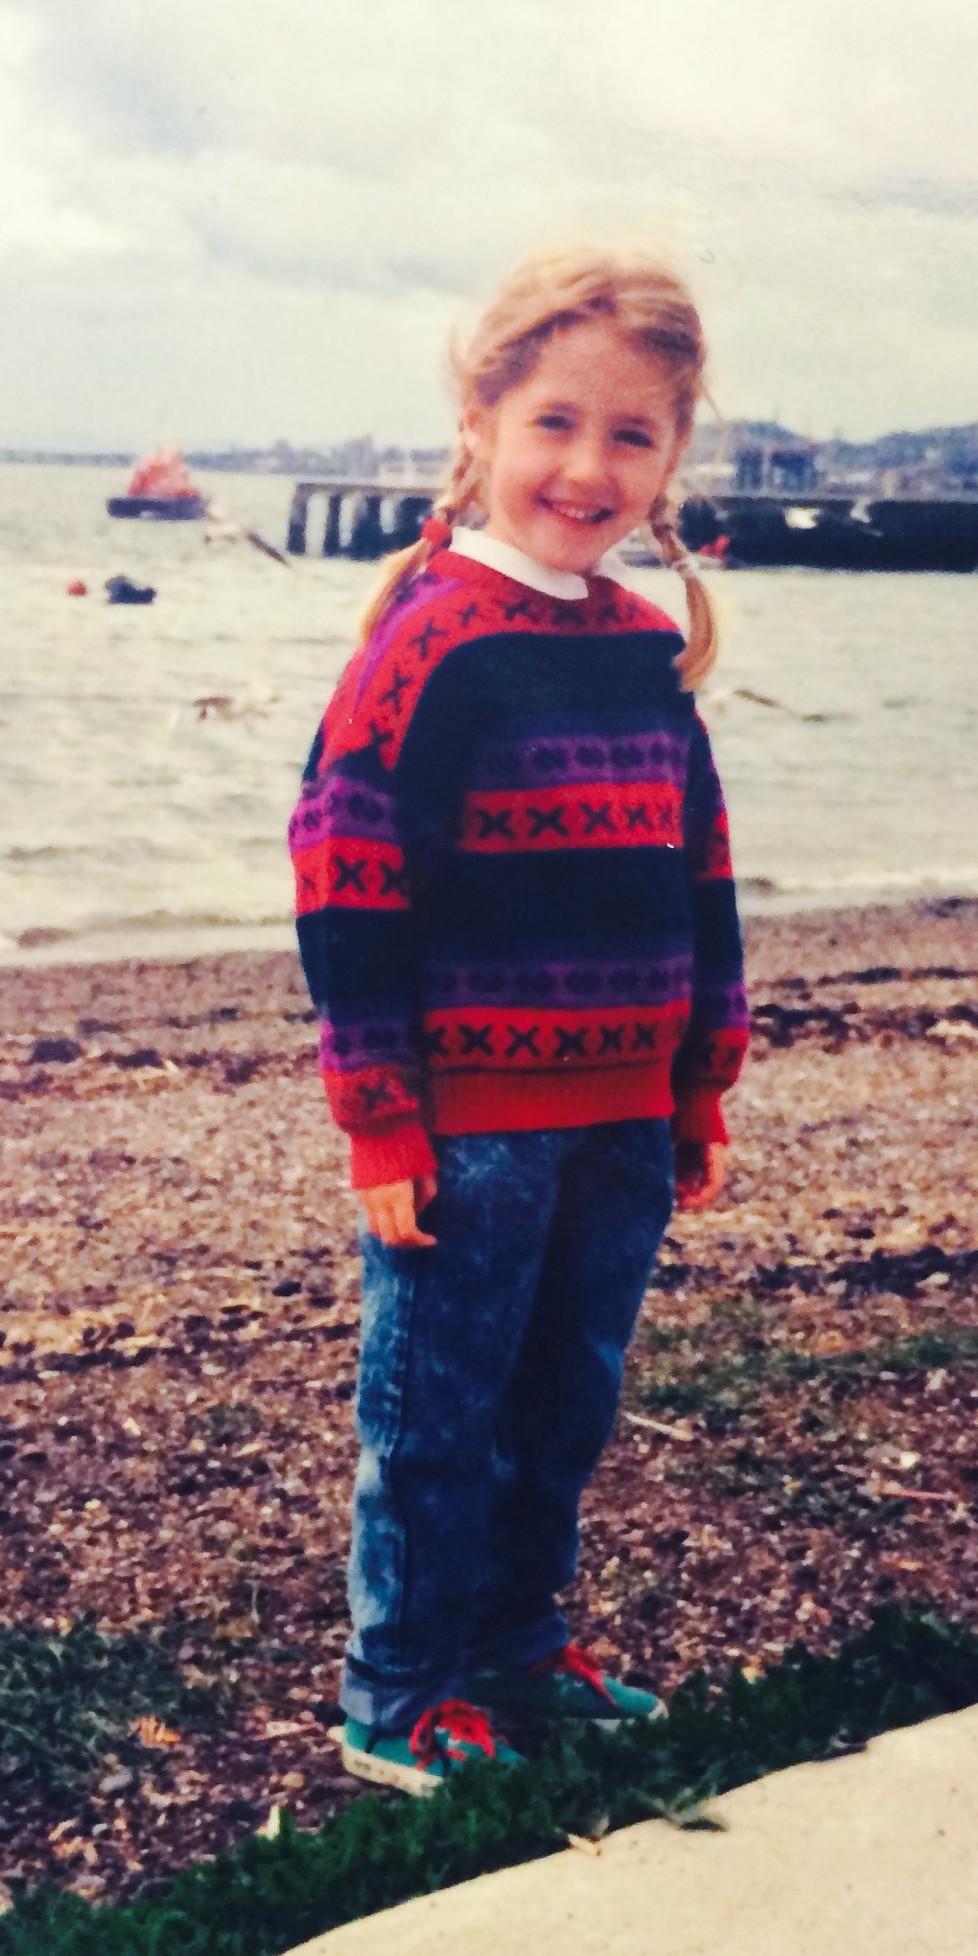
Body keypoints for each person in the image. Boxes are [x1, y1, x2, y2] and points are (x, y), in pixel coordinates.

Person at [289, 246, 748, 1793]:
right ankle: (397, 1690)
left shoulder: (641, 648)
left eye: (633, 436)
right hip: (471, 1134)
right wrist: (381, 1120)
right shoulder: (433, 642)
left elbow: (701, 877)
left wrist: (700, 1088)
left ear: (675, 457)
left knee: (563, 1409)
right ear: (481, 422)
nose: (588, 466)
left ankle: (516, 1648)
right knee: (438, 1422)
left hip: (620, 1124)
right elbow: (347, 884)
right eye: (556, 423)